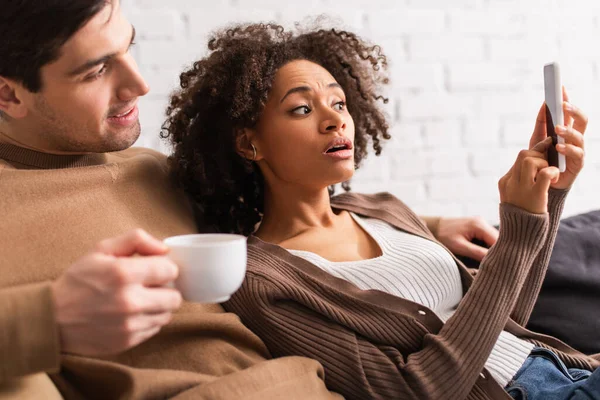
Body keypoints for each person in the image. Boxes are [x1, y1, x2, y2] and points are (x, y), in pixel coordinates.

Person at [163, 22, 599, 399]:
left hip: (569, 368)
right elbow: (416, 391)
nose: (336, 121)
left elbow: (502, 322)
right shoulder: (263, 281)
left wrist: (552, 195)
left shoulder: (383, 209)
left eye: (338, 104)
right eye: (301, 109)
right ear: (247, 143)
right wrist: (518, 227)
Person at [0, 2, 342, 399]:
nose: (140, 84)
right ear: (8, 94)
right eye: (96, 71)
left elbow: (308, 218)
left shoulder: (158, 172)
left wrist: (428, 229)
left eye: (129, 47)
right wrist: (48, 318)